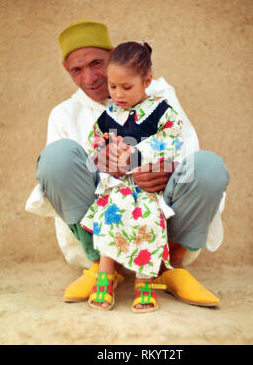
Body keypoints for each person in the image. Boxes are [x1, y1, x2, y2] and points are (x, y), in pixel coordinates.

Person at [26, 19, 229, 307]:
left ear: (113, 55)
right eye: (77, 69)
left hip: (157, 203)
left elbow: (187, 152)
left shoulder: (161, 100)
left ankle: (169, 267)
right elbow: (55, 182)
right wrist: (98, 162)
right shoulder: (65, 114)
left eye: (97, 63)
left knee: (209, 166)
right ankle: (100, 267)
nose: (90, 78)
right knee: (55, 158)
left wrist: (165, 170)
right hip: (108, 206)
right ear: (66, 70)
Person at [81, 41, 185, 312]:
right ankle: (104, 278)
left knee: (148, 226)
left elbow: (173, 139)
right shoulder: (108, 115)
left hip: (147, 187)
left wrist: (137, 153)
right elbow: (94, 142)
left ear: (146, 80)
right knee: (107, 222)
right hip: (117, 187)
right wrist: (104, 151)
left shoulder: (161, 112)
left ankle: (144, 283)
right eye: (112, 86)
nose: (118, 94)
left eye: (126, 87)